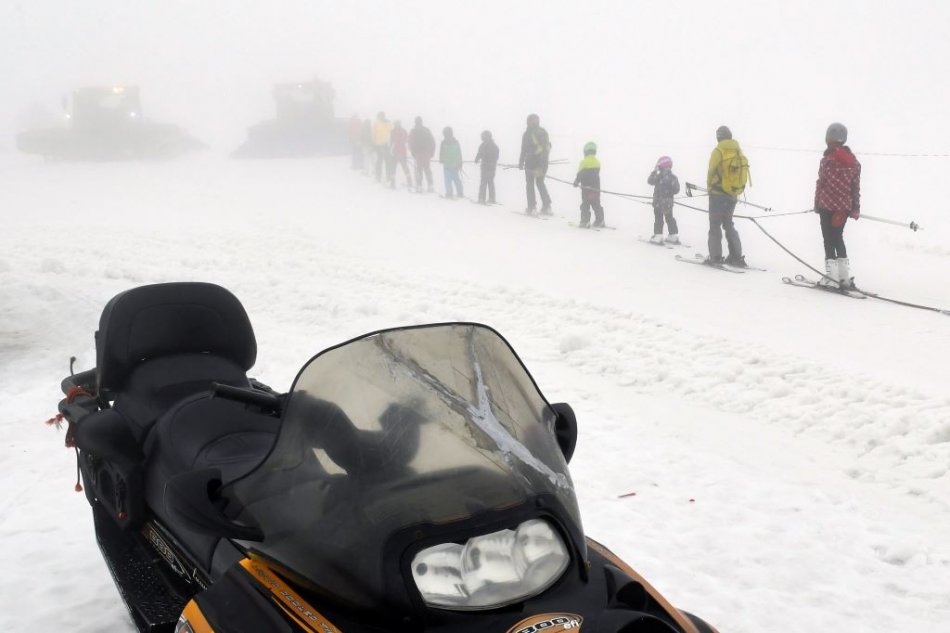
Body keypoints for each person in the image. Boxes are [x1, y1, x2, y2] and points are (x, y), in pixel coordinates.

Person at [814, 122, 861, 288]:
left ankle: (831, 278)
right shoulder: (854, 162)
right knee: (838, 238)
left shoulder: (827, 160)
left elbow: (821, 183)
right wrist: (855, 208)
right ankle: (844, 278)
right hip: (844, 208)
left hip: (826, 206)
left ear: (828, 138)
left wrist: (817, 204)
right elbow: (855, 187)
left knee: (828, 240)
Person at [706, 125, 749, 266]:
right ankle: (736, 256)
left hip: (717, 194)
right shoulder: (738, 150)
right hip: (732, 194)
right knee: (728, 224)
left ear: (718, 137)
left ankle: (715, 257)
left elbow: (711, 171)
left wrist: (709, 187)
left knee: (715, 225)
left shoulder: (718, 151)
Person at [518, 113, 552, 215]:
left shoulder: (527, 134)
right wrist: (543, 162)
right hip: (543, 162)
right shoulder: (543, 132)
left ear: (528, 122)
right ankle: (547, 206)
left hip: (531, 162)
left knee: (530, 184)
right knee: (540, 182)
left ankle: (532, 207)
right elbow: (547, 147)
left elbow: (523, 149)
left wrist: (521, 162)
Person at [647, 156, 681, 243]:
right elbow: (676, 190)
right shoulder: (673, 177)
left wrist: (654, 171)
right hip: (668, 203)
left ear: (660, 165)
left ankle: (658, 235)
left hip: (658, 202)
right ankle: (673, 235)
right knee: (669, 218)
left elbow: (650, 181)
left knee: (658, 218)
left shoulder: (658, 176)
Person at [572, 142, 604, 228]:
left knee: (585, 205)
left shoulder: (583, 162)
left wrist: (576, 182)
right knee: (596, 204)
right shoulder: (597, 162)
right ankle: (600, 220)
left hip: (586, 188)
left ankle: (585, 221)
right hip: (596, 189)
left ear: (585, 152)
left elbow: (580, 174)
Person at [408, 116, 435, 192]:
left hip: (418, 153)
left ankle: (419, 185)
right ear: (421, 122)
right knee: (427, 168)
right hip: (426, 153)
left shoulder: (413, 131)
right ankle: (430, 185)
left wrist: (412, 152)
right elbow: (432, 141)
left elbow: (410, 142)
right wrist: (432, 152)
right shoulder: (426, 130)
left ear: (415, 122)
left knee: (419, 169)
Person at [474, 130, 499, 204]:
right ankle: (486, 198)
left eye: (484, 137)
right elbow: (479, 153)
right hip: (486, 166)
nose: (483, 138)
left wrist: (491, 161)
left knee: (487, 182)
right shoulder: (484, 145)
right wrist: (477, 159)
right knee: (486, 182)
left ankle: (487, 198)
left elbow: (496, 156)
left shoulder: (492, 146)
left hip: (489, 167)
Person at [439, 126, 463, 199]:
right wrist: (460, 163)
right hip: (455, 164)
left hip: (447, 164)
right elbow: (459, 153)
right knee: (456, 179)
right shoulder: (456, 142)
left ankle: (449, 193)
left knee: (448, 180)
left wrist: (441, 159)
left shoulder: (443, 142)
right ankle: (460, 192)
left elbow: (441, 152)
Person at [372, 111, 394, 184]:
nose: (381, 117)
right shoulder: (385, 122)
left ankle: (382, 176)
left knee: (382, 161)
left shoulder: (378, 123)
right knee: (383, 161)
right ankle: (384, 176)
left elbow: (374, 133)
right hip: (382, 145)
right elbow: (391, 131)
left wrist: (374, 144)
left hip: (382, 145)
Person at [390, 120, 412, 189]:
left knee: (393, 168)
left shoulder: (393, 131)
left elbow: (391, 142)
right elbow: (407, 140)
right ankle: (410, 182)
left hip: (395, 152)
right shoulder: (404, 131)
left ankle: (392, 183)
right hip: (403, 151)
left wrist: (390, 150)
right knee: (405, 167)